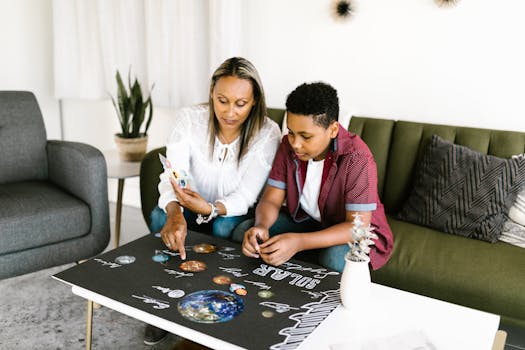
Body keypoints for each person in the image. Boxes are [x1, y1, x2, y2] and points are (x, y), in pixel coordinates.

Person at [145, 57, 281, 345]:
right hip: (187, 203)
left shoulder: (267, 132)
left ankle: (218, 309)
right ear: (211, 93)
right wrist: (175, 212)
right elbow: (174, 175)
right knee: (160, 220)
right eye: (222, 100)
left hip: (228, 210)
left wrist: (209, 208)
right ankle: (161, 308)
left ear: (254, 100)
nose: (230, 112)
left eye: (240, 104)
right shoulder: (189, 119)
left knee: (222, 230)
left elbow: (245, 197)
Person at [237, 82, 393, 272]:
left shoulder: (357, 158)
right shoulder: (287, 145)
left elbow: (355, 227)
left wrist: (299, 242)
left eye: (306, 136)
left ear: (333, 129)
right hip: (310, 222)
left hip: (354, 233)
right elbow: (271, 199)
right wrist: (261, 226)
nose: (295, 144)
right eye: (292, 132)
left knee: (335, 258)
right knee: (247, 233)